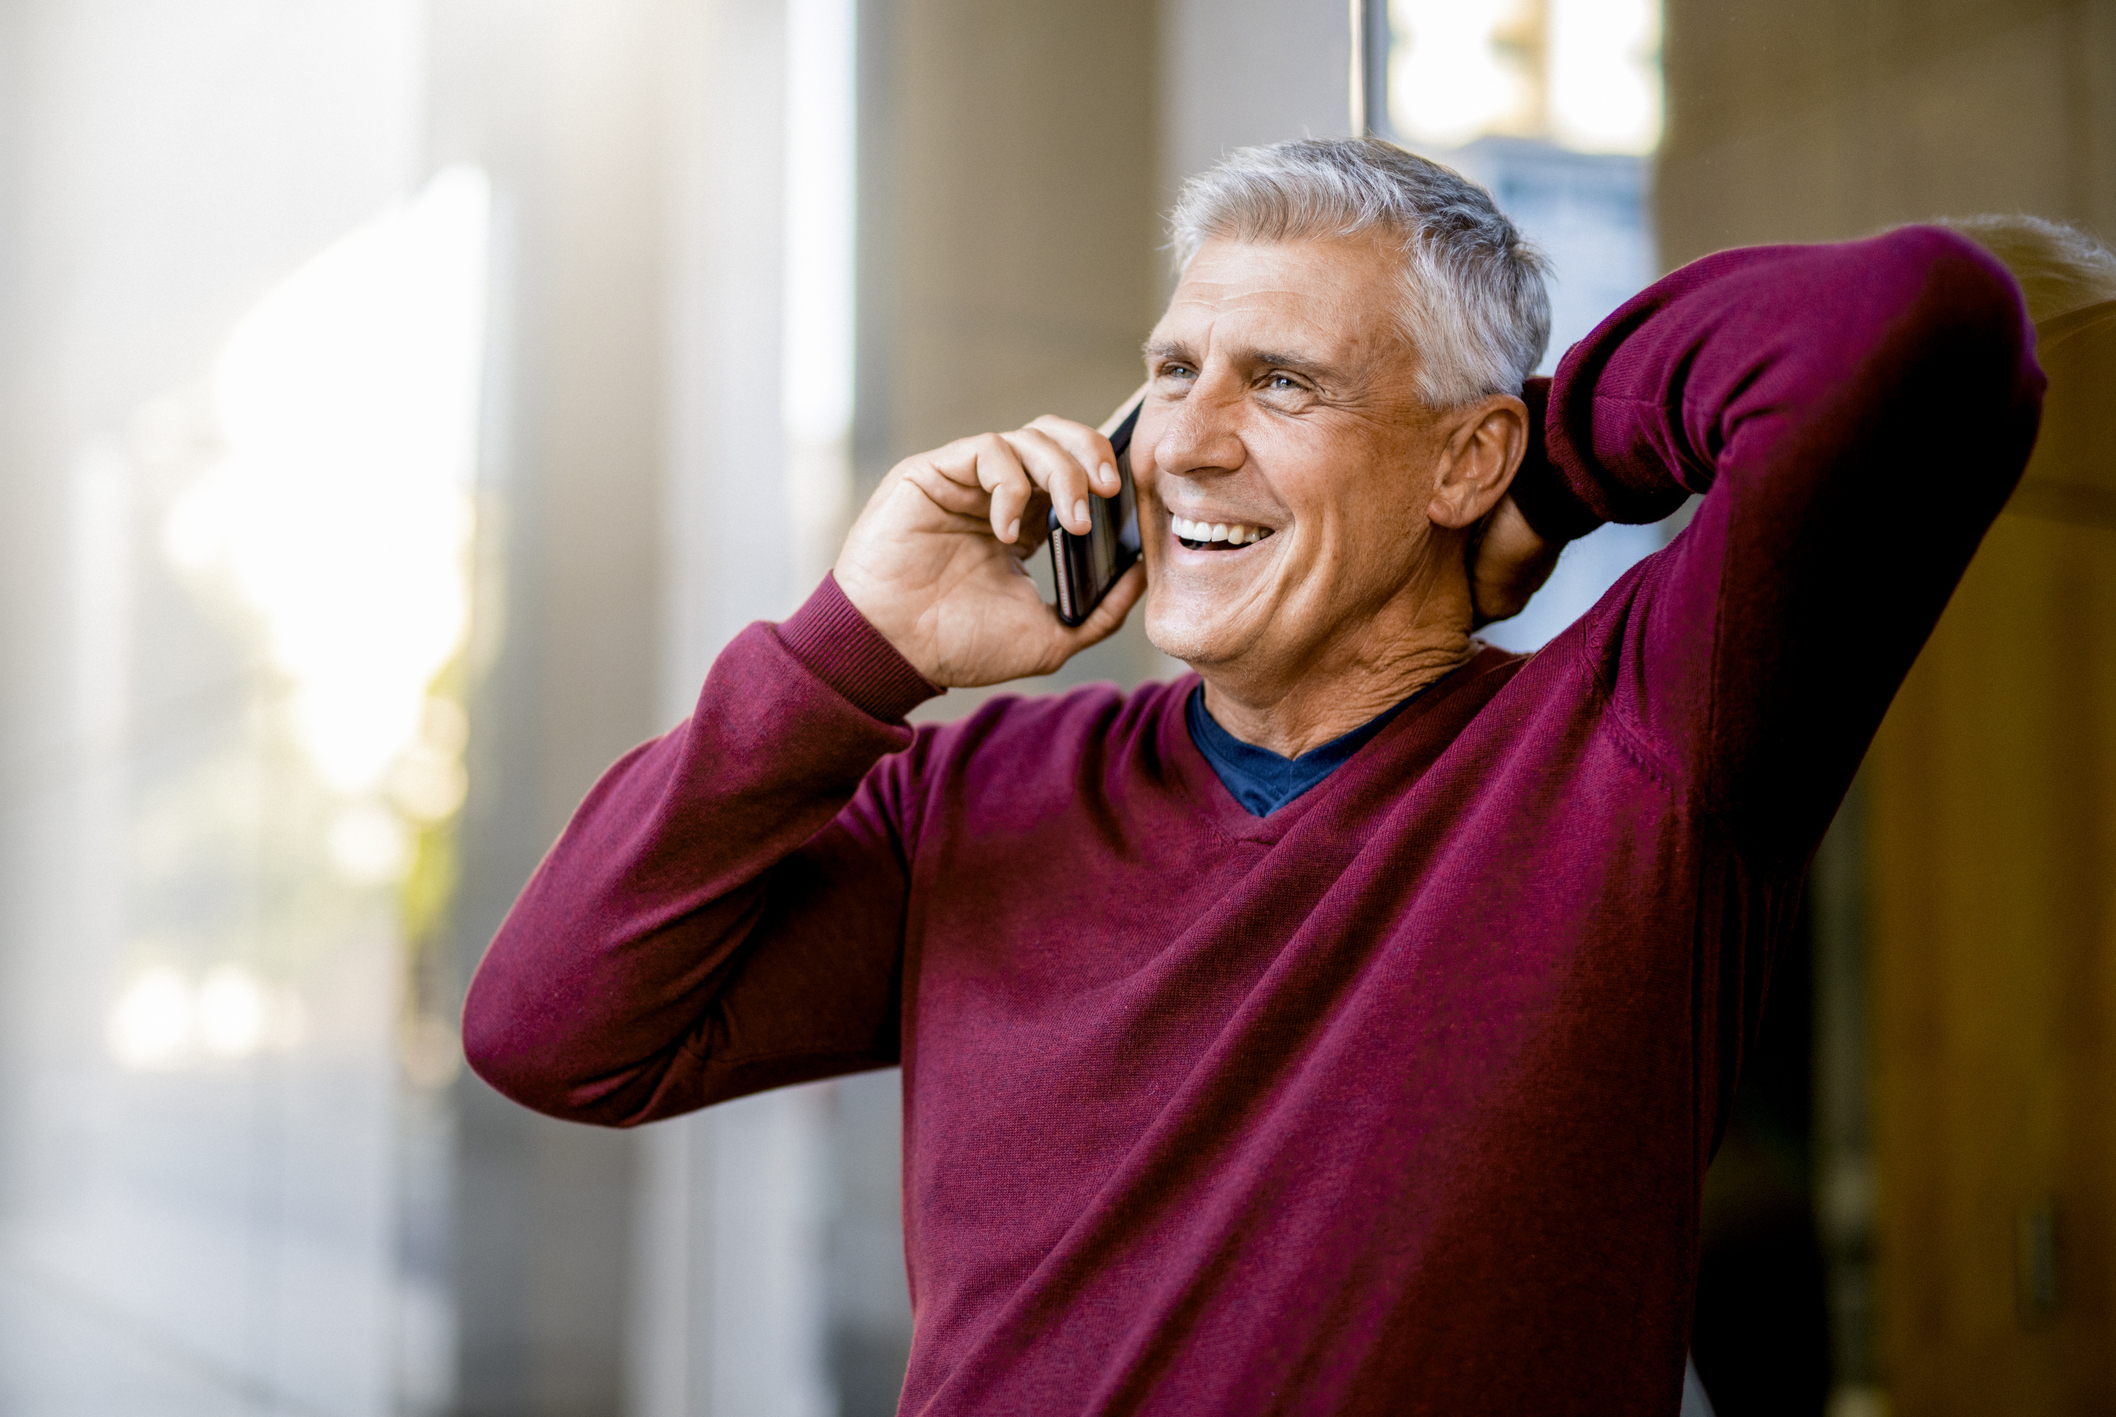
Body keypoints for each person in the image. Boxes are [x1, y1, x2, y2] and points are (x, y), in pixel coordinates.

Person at [463, 139, 2043, 1413]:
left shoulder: (1640, 755)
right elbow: (553, 1033)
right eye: (1171, 369)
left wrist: (1550, 471)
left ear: (1460, 459)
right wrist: (854, 648)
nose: (1180, 443)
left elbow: (1918, 330)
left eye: (1280, 382)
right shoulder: (978, 794)